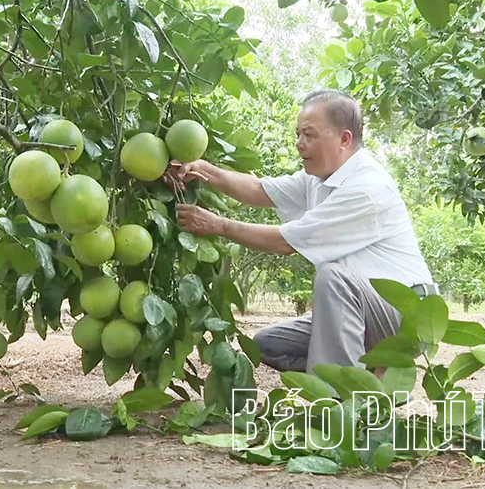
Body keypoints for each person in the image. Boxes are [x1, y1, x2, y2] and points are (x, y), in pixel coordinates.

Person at [167, 89, 435, 375]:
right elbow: (259, 189)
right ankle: (373, 379)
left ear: (344, 139)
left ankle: (340, 394)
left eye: (309, 135)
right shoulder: (320, 179)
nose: (299, 144)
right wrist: (202, 169)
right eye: (298, 134)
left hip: (407, 314)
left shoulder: (366, 188)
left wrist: (218, 225)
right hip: (363, 309)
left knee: (333, 276)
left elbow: (285, 242)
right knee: (268, 345)